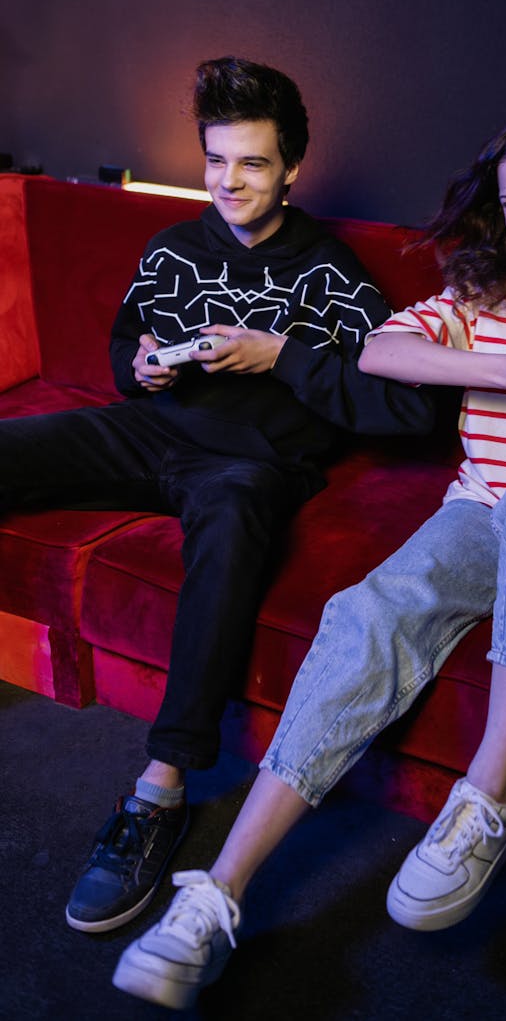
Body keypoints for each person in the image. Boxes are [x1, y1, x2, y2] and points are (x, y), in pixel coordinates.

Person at [111, 100, 506, 1010]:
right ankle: (216, 893)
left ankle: (492, 792)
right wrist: (505, 371)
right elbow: (381, 353)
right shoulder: (488, 291)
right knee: (366, 611)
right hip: (483, 515)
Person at [0, 56, 435, 934]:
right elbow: (128, 343)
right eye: (218, 161)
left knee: (233, 523)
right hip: (154, 432)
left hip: (251, 465)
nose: (230, 182)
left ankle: (160, 789)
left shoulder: (332, 273)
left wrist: (279, 357)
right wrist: (145, 368)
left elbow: (409, 407)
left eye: (253, 163)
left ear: (291, 169)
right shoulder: (173, 246)